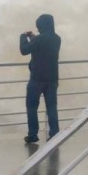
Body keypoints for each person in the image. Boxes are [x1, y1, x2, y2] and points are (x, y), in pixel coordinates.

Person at [20, 14, 61, 143]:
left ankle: (33, 134)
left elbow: (24, 50)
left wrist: (23, 38)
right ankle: (54, 133)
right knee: (52, 107)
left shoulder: (38, 40)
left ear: (40, 25)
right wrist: (34, 39)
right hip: (52, 78)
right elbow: (42, 44)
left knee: (32, 107)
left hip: (37, 79)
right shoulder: (57, 38)